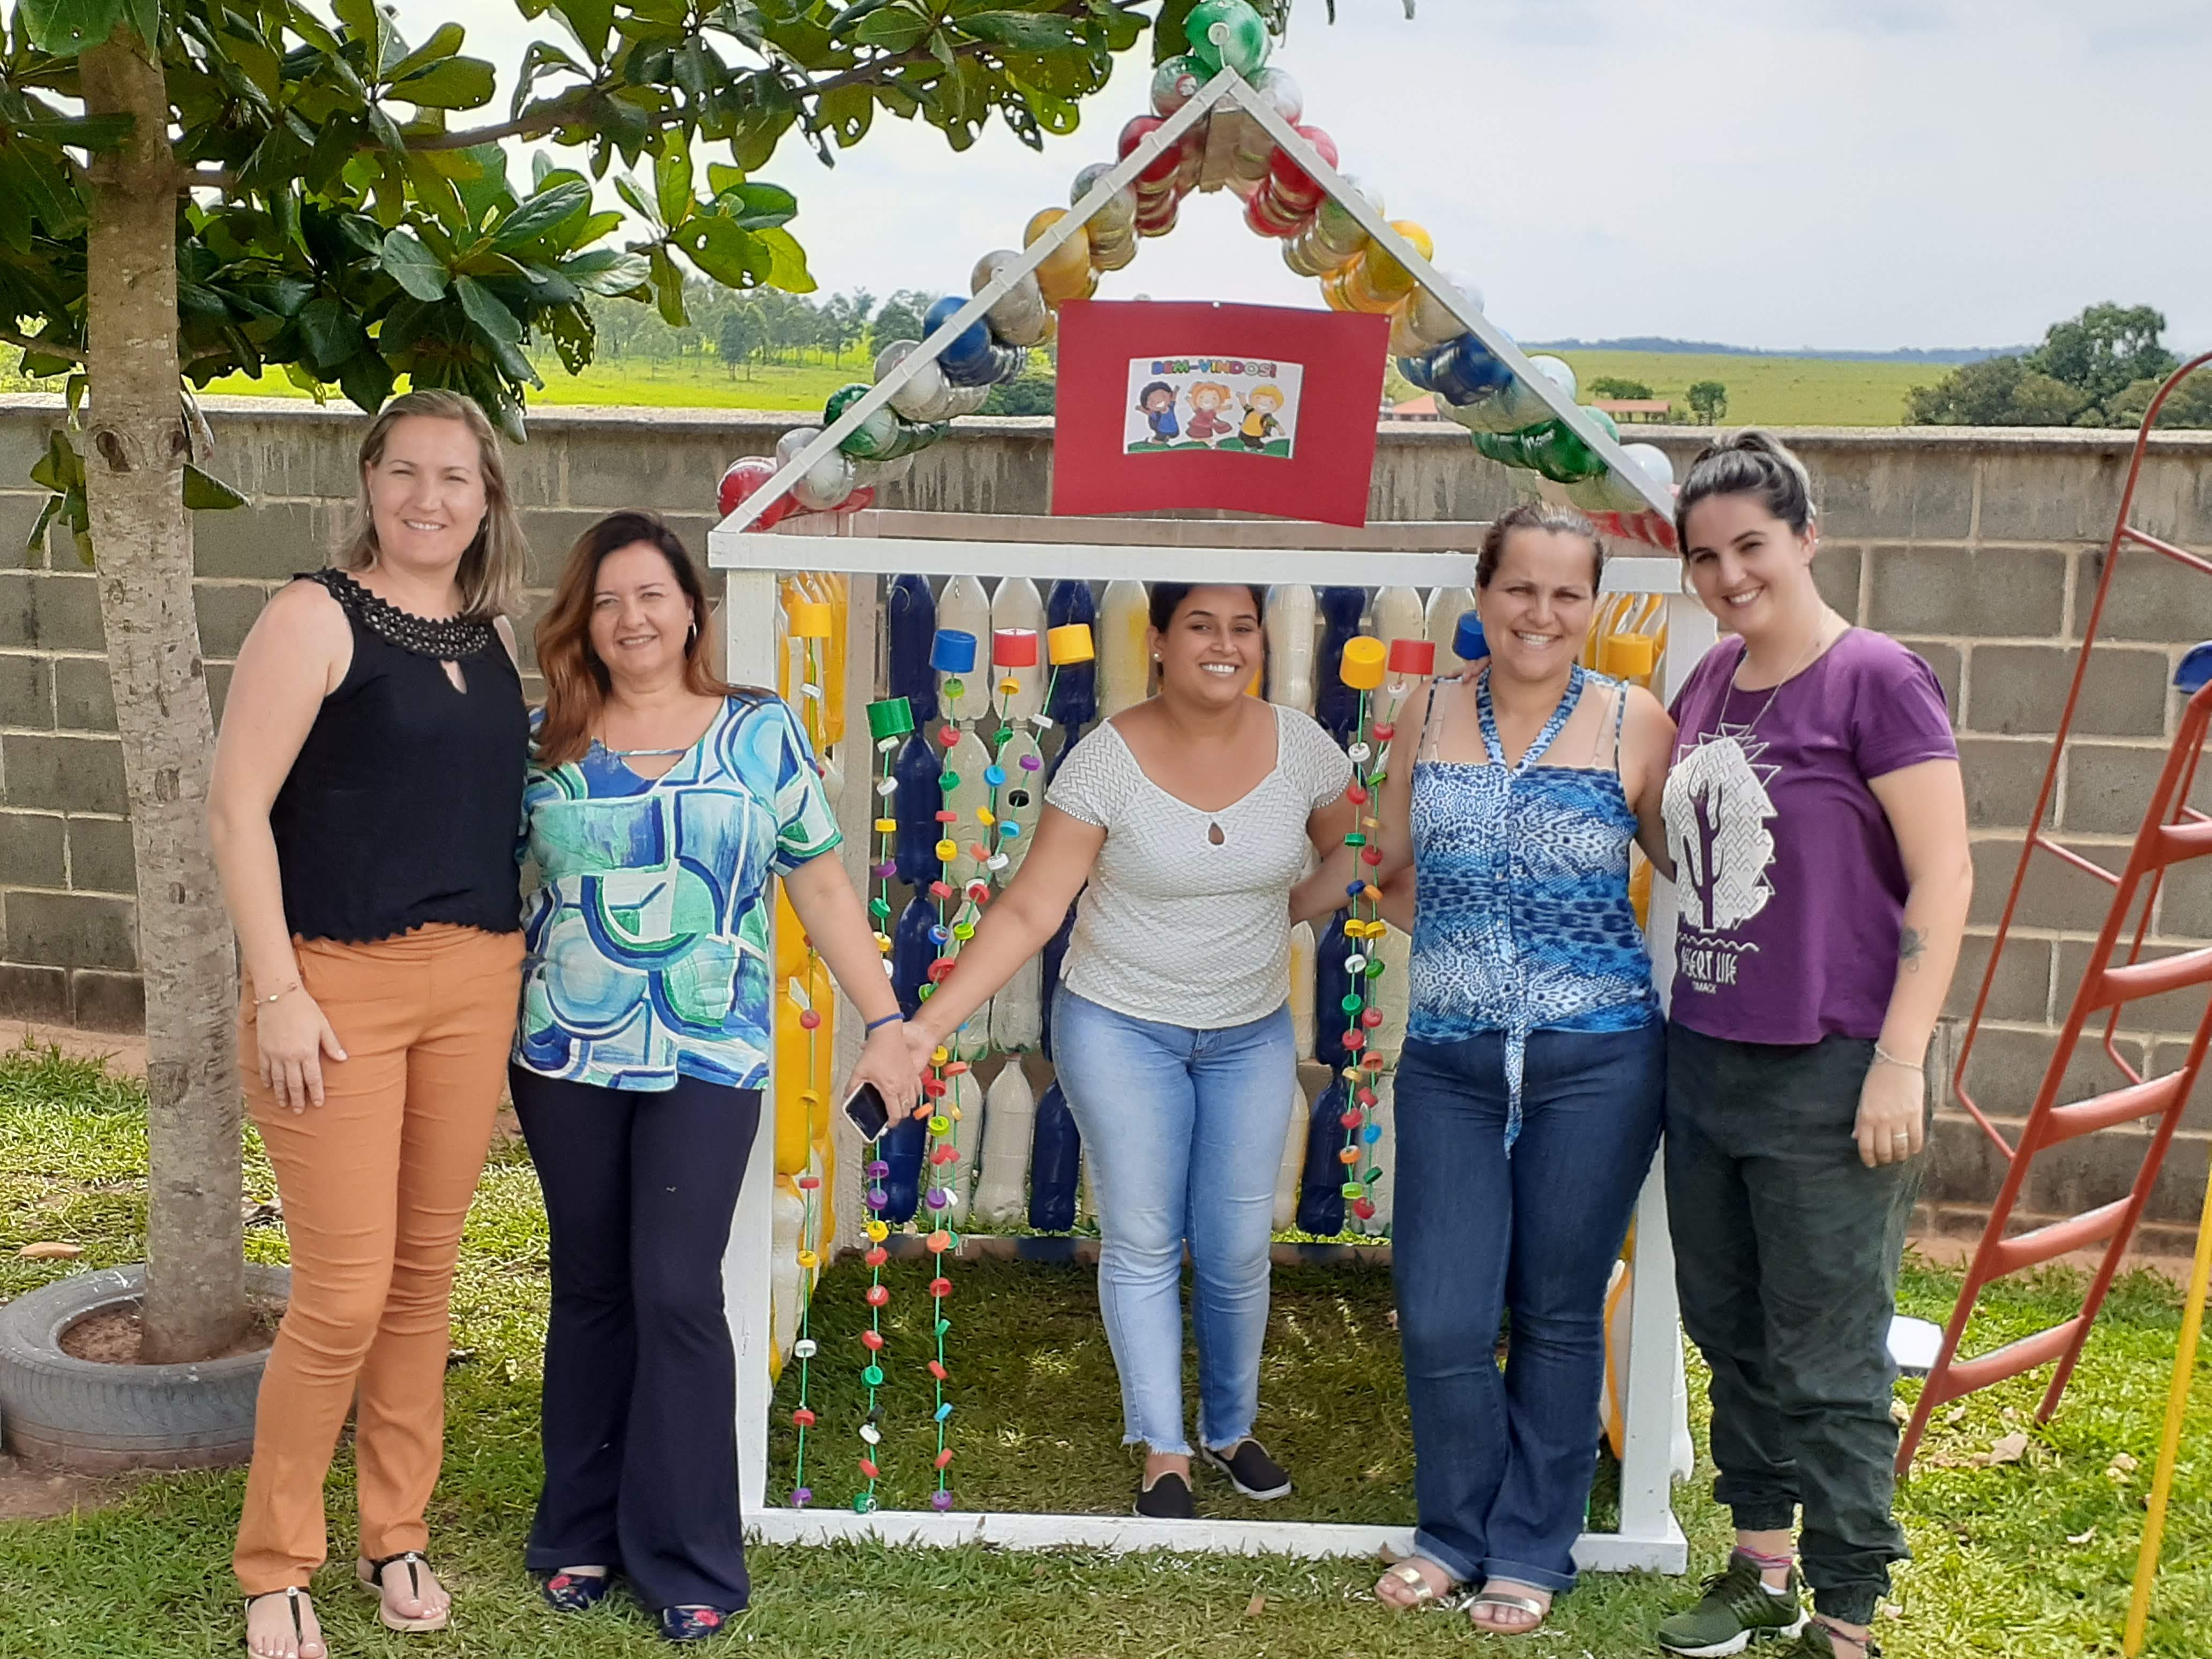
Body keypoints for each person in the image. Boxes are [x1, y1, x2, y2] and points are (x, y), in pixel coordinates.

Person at [509, 512, 917, 1643]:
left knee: (677, 1288)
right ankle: (577, 1533)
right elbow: (493, 901)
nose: (632, 618)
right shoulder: (544, 743)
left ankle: (688, 1554)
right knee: (591, 1285)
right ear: (581, 623)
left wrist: (886, 1018)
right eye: (607, 601)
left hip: (707, 1048)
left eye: (652, 594)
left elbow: (824, 890)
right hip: (567, 1049)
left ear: (694, 606)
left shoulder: (760, 733)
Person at [906, 584, 1354, 1518]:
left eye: (1243, 629)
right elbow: (1033, 909)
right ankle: (1164, 1447)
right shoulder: (1103, 762)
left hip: (1249, 1029)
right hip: (1119, 1024)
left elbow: (1352, 852)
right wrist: (927, 1025)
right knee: (1146, 1237)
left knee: (1236, 1246)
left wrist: (1285, 914)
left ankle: (1231, 1430)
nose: (1225, 646)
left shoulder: (1303, 747)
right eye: (1201, 626)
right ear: (1157, 642)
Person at [208, 389, 533, 1659]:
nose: (430, 499)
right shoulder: (311, 618)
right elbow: (239, 815)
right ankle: (275, 1563)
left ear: (485, 498)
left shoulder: (492, 632)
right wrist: (278, 989)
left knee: (421, 1288)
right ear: (369, 482)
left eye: (456, 478)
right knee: (341, 1295)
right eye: (407, 473)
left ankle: (397, 1535)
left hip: (474, 983)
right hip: (333, 992)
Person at [1314, 503, 1674, 1635]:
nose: (1543, 613)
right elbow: (1384, 863)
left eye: (1569, 594)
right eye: (1522, 588)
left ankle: (1530, 1548)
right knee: (1441, 1314)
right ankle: (1453, 1531)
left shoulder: (1635, 721)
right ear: (1483, 595)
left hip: (1597, 1059)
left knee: (1558, 1311)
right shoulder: (1425, 712)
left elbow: (1698, 872)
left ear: (1594, 606)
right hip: (1455, 1059)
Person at [1651, 433, 1970, 1659]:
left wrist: (1901, 1057)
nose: (1730, 575)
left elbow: (1944, 868)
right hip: (1710, 1052)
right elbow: (1681, 846)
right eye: (1706, 556)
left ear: (1806, 537)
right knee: (1732, 1330)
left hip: (1834, 1065)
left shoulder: (1876, 678)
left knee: (1829, 1353)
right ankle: (1761, 1568)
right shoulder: (1711, 683)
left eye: (1751, 546)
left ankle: (1848, 1612)